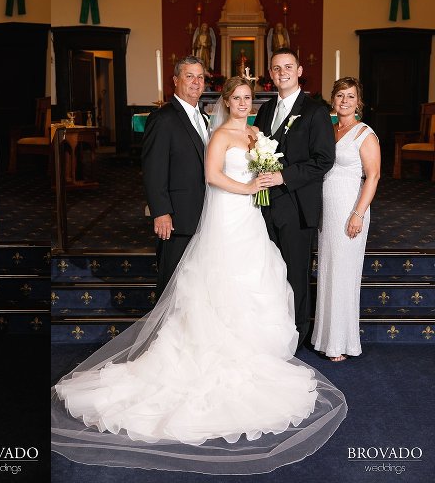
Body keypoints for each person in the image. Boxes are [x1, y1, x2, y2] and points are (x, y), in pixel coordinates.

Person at [51, 77, 347, 474]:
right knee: (220, 279)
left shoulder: (256, 133)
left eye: (247, 98)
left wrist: (263, 177)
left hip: (251, 219)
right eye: (236, 98)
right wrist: (248, 187)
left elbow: (269, 167)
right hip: (228, 214)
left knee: (255, 278)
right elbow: (212, 177)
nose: (243, 103)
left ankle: (252, 349)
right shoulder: (220, 135)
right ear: (226, 101)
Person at [253, 47, 335, 347]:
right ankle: (273, 331)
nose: (282, 72)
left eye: (288, 67)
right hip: (265, 205)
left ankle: (297, 336)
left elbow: (324, 160)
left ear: (299, 71)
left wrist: (284, 176)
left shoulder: (315, 111)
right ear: (270, 74)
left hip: (297, 204)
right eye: (276, 68)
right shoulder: (264, 110)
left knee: (295, 272)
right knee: (270, 271)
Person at [313, 77, 380, 361]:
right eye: (340, 95)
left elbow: (373, 176)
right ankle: (325, 338)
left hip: (350, 208)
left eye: (350, 96)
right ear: (333, 99)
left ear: (358, 102)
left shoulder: (365, 133)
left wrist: (358, 213)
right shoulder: (330, 129)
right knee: (329, 271)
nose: (344, 101)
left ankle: (341, 343)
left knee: (343, 274)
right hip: (328, 210)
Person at [142, 56, 208, 296]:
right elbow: (153, 169)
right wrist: (161, 212)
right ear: (175, 80)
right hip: (176, 218)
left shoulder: (204, 118)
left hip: (202, 215)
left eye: (200, 77)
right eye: (189, 76)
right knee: (172, 285)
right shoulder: (163, 118)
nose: (196, 82)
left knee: (194, 286)